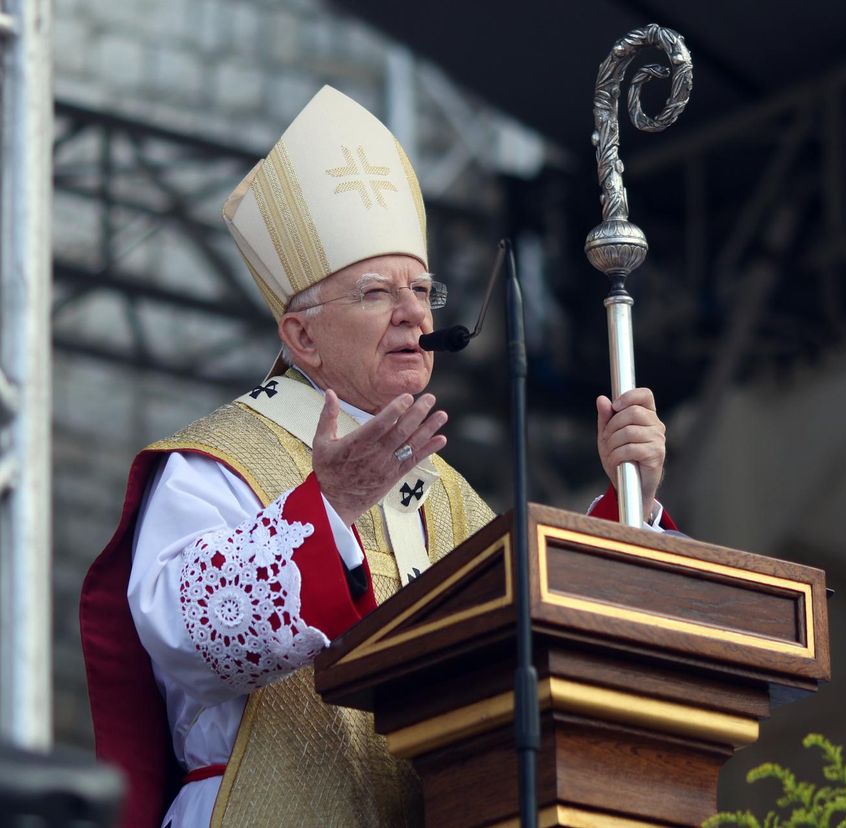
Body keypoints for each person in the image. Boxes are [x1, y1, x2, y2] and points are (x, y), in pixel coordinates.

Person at [80, 86, 674, 828]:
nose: (415, 315)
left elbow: (546, 648)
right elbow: (181, 634)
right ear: (300, 338)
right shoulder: (217, 460)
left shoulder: (449, 494)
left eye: (422, 290)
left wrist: (630, 508)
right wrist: (324, 509)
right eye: (376, 292)